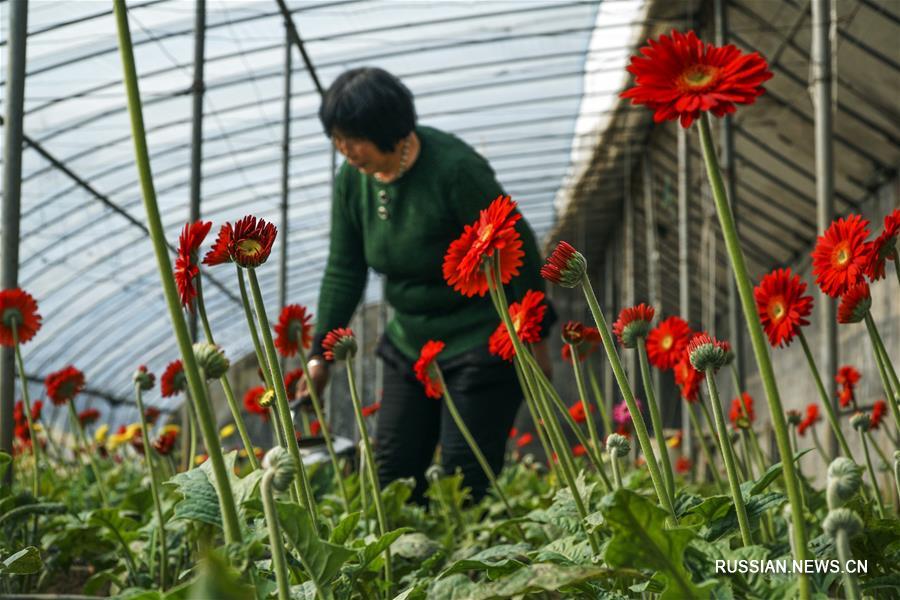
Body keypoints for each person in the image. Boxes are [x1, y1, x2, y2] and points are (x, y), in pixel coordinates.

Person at [296, 67, 556, 504]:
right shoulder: (353, 181)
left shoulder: (455, 171)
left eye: (353, 138)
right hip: (411, 342)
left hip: (480, 341)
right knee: (393, 477)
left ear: (391, 132)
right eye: (336, 138)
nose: (344, 150)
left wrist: (535, 336)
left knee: (463, 477)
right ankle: (406, 566)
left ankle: (472, 568)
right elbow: (344, 268)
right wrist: (320, 356)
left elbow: (519, 247)